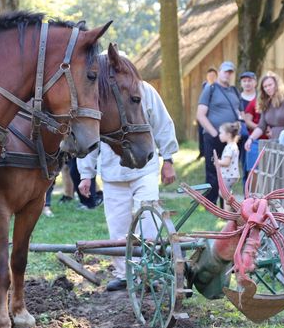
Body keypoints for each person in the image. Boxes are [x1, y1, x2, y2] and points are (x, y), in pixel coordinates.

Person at [78, 81, 178, 291]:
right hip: (113, 174)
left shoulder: (143, 90)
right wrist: (86, 174)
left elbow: (162, 123)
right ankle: (124, 274)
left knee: (148, 220)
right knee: (118, 227)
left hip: (145, 169)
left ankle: (149, 271)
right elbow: (89, 136)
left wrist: (168, 159)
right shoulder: (95, 95)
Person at [196, 61, 241, 204]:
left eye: (230, 72)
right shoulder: (211, 88)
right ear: (219, 71)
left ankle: (225, 204)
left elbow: (239, 113)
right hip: (213, 136)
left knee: (227, 170)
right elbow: (200, 115)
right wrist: (215, 134)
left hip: (230, 139)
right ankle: (210, 202)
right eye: (225, 71)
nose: (227, 74)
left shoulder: (234, 91)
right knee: (212, 169)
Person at [197, 67, 218, 159]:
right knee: (201, 134)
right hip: (203, 114)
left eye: (213, 75)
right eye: (209, 75)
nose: (211, 77)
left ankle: (211, 153)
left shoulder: (217, 87)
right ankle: (202, 152)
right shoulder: (204, 85)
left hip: (212, 115)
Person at [215, 122, 240, 193]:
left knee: (224, 194)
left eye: (221, 133)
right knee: (225, 193)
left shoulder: (229, 147)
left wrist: (217, 162)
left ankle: (228, 204)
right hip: (231, 175)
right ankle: (228, 203)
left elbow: (226, 163)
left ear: (228, 135)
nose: (219, 135)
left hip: (228, 175)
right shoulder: (233, 145)